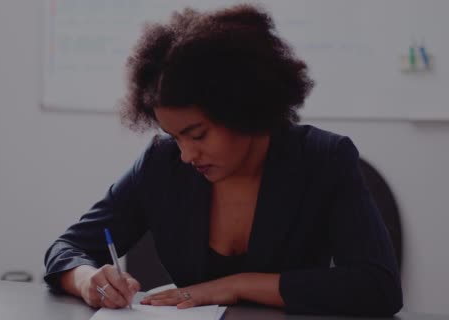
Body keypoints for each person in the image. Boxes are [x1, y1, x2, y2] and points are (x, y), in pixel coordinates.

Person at [44, 4, 402, 316]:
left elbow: (378, 286)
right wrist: (88, 280)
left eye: (197, 135)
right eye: (175, 137)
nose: (186, 154)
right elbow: (67, 248)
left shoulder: (323, 159)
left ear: (242, 108)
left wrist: (238, 285)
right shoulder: (161, 164)